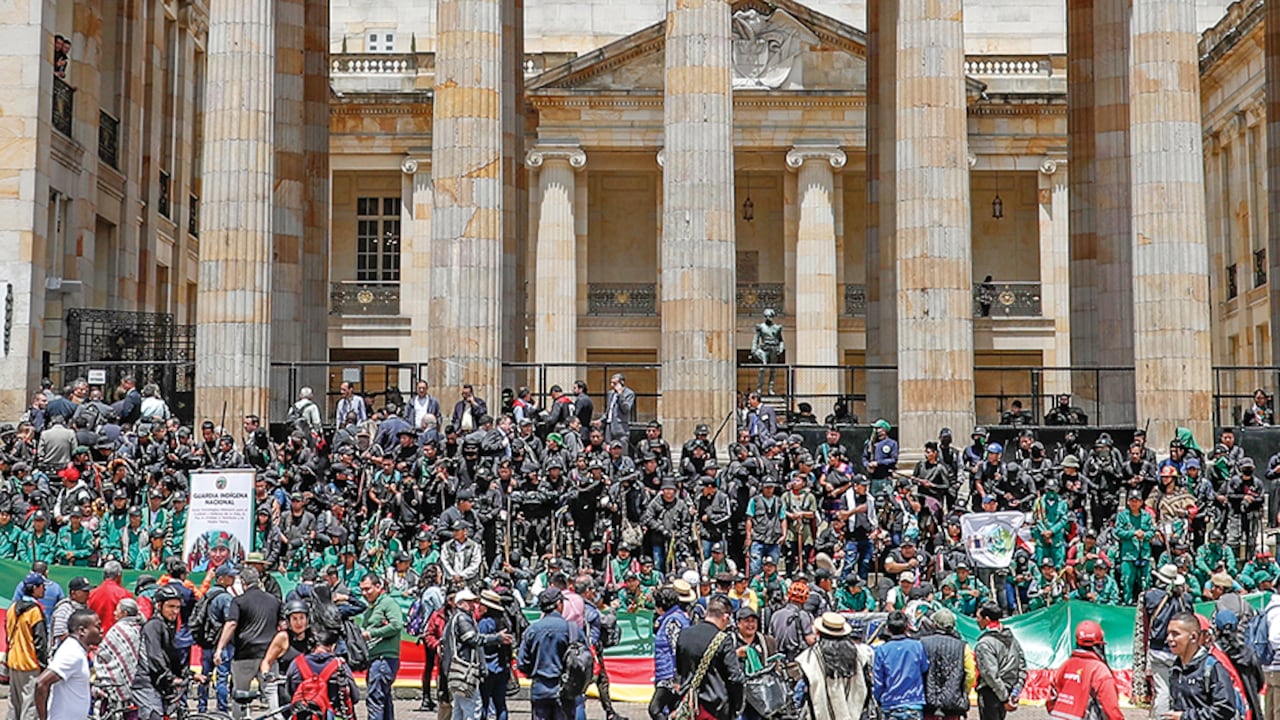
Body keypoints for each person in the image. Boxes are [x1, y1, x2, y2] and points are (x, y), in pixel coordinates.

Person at [215, 567, 284, 720]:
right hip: (269, 656)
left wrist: (220, 648)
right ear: (259, 582)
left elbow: (231, 624)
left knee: (240, 694)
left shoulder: (238, 601)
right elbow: (283, 626)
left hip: (244, 655)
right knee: (272, 695)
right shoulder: (275, 601)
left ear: (243, 583)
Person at [675, 596, 743, 720]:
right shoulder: (723, 639)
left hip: (689, 705)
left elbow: (680, 670)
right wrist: (737, 706)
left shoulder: (684, 634)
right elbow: (735, 677)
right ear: (725, 617)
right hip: (714, 707)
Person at [797, 612, 873, 720]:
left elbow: (806, 689)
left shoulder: (811, 657)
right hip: (854, 714)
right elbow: (867, 684)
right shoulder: (860, 654)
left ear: (820, 632)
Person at [1165, 612, 1236, 720]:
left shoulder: (1212, 668)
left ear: (1193, 637)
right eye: (1168, 633)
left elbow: (1225, 709)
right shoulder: (1175, 669)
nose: (1169, 638)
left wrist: (1185, 717)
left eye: (1175, 634)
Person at [518, 588, 575, 720]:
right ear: (559, 604)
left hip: (540, 689)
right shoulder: (571, 629)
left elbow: (522, 662)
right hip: (564, 690)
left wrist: (534, 673)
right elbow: (584, 659)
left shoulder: (532, 630)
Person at [1047, 621, 1123, 720]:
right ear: (1100, 645)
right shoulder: (1099, 670)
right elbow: (1111, 709)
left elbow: (1051, 699)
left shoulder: (1066, 665)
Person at [33, 608, 100, 720]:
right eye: (98, 626)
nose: (101, 631)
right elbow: (41, 683)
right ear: (82, 631)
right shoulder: (72, 653)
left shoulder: (77, 650)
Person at [134, 585, 185, 720]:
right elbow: (155, 657)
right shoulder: (154, 625)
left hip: (158, 683)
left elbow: (172, 656)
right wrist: (171, 678)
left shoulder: (167, 626)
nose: (175, 611)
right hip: (146, 683)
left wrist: (187, 674)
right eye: (171, 607)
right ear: (159, 606)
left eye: (178, 607)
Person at [358, 574, 405, 720]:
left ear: (378, 587)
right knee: (384, 701)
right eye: (362, 590)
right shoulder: (372, 606)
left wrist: (371, 634)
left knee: (375, 700)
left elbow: (397, 625)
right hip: (375, 660)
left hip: (383, 660)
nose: (364, 593)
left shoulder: (388, 603)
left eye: (368, 589)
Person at [285, 629, 360, 720]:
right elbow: (354, 697)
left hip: (303, 715)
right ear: (332, 647)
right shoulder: (339, 665)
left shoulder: (297, 663)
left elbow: (289, 692)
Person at [872, 611, 929, 720]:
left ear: (888, 629)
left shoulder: (882, 650)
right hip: (913, 703)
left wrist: (879, 699)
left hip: (890, 704)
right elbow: (924, 668)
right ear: (907, 627)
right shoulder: (917, 646)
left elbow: (878, 681)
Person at [920, 609, 975, 720]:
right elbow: (971, 674)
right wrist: (963, 692)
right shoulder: (963, 646)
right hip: (953, 702)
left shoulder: (922, 643)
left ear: (934, 624)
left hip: (927, 701)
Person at [9, 572, 50, 720]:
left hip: (13, 662)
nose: (44, 589)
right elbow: (40, 642)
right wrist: (44, 665)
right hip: (30, 664)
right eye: (42, 586)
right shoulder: (34, 612)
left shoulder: (13, 608)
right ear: (34, 588)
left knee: (14, 703)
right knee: (30, 705)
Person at [974, 603, 1026, 720]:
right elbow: (1022, 666)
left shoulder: (984, 644)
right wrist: (1015, 692)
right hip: (1007, 689)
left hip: (991, 692)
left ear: (986, 619)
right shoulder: (1012, 639)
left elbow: (990, 674)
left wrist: (1005, 698)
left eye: (978, 618)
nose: (976, 621)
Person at [261, 600, 314, 714]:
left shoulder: (313, 638)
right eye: (294, 619)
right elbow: (267, 661)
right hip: (287, 689)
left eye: (301, 618)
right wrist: (266, 674)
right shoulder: (283, 637)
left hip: (309, 688)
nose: (299, 622)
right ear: (288, 621)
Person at [93, 599, 143, 710]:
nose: (114, 613)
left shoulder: (118, 630)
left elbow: (103, 653)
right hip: (135, 681)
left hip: (116, 679)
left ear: (124, 613)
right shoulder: (138, 628)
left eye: (117, 610)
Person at [86, 561, 132, 634]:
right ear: (119, 575)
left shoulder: (92, 593)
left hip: (95, 636)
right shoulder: (125, 594)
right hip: (117, 636)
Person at [603, 374, 635, 454]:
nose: (612, 385)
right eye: (611, 383)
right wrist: (601, 420)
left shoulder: (629, 394)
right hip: (609, 426)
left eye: (614, 383)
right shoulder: (610, 393)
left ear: (621, 383)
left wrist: (621, 395)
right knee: (608, 449)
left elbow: (626, 409)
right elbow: (609, 410)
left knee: (622, 451)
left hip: (621, 428)